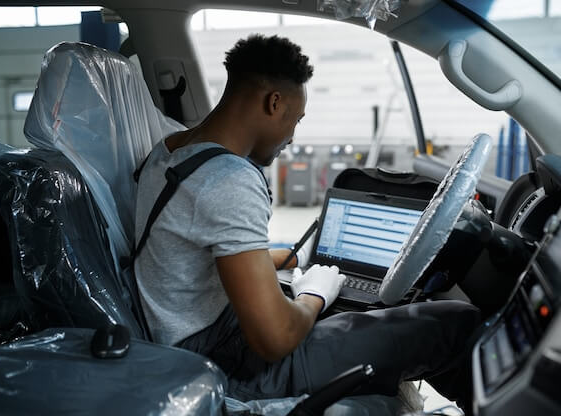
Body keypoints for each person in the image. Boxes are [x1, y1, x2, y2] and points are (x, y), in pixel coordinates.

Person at [135, 34, 480, 407]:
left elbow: (185, 256)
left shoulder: (169, 151)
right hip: (226, 365)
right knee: (454, 324)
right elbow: (276, 339)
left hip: (187, 342)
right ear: (274, 102)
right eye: (295, 120)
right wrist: (315, 294)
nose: (292, 137)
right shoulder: (230, 179)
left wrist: (290, 258)